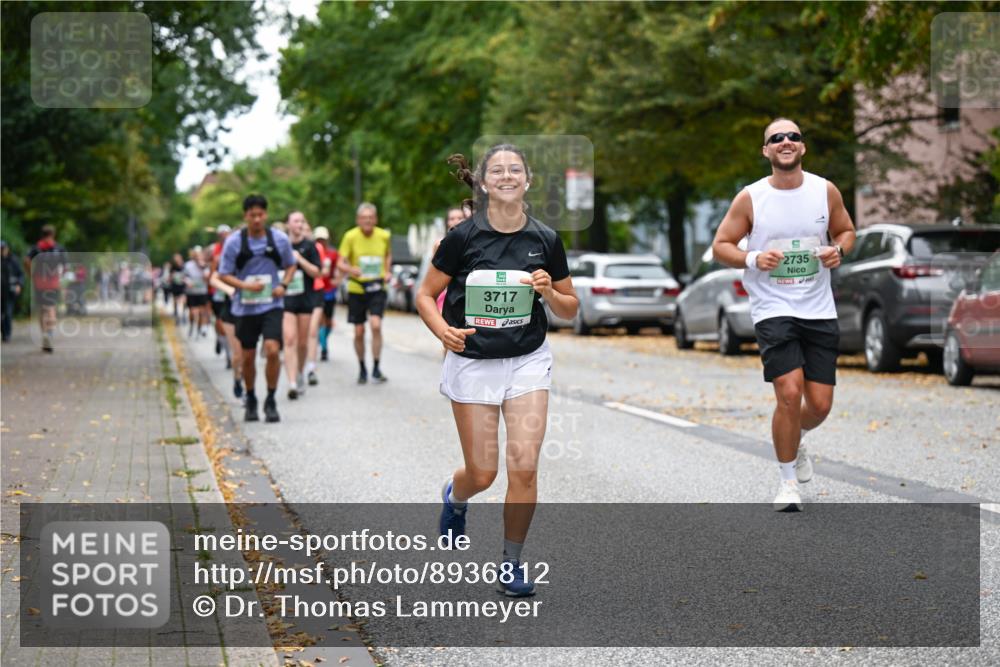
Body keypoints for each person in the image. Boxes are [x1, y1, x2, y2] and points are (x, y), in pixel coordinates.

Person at [416, 145, 578, 597]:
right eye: (497, 170)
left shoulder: (545, 239)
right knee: (483, 473)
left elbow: (570, 307)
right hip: (472, 363)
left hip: (527, 359)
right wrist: (441, 330)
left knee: (524, 465)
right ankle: (456, 495)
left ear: (527, 181)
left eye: (516, 170)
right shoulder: (463, 238)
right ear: (484, 184)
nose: (507, 176)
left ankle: (511, 563)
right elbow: (426, 295)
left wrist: (548, 292)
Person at [712, 117, 856, 512]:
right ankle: (788, 483)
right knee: (789, 393)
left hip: (818, 309)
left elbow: (846, 231)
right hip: (773, 309)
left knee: (820, 404)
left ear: (803, 147)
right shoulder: (751, 198)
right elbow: (721, 245)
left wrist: (838, 251)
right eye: (776, 138)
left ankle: (795, 438)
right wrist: (754, 257)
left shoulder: (824, 191)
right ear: (766, 151)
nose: (786, 141)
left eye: (793, 136)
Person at [218, 195, 297, 423]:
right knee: (248, 357)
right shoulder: (234, 242)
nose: (256, 219)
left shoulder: (279, 239)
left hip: (271, 305)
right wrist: (245, 286)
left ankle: (270, 399)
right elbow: (223, 274)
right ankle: (251, 397)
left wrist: (283, 285)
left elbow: (291, 264)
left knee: (273, 350)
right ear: (245, 216)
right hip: (245, 308)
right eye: (252, 215)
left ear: (266, 215)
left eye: (260, 215)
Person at [338, 203, 392, 384]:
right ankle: (362, 367)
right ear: (358, 220)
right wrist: (350, 269)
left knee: (376, 325)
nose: (367, 221)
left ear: (375, 219)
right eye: (364, 218)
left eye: (371, 217)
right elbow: (340, 263)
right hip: (357, 288)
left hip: (377, 287)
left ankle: (376, 367)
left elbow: (387, 255)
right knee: (359, 331)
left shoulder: (383, 235)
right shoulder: (350, 236)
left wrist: (387, 271)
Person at [281, 211, 323, 399]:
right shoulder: (281, 245)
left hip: (305, 299)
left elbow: (317, 272)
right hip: (286, 299)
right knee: (289, 339)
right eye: (296, 221)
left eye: (302, 221)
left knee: (303, 342)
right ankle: (291, 382)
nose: (299, 224)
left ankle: (299, 373)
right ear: (288, 224)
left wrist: (299, 259)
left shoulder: (310, 246)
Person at [25, 225, 67, 352]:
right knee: (51, 308)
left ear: (42, 234)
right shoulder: (59, 248)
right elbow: (65, 266)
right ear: (53, 234)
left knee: (41, 309)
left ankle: (44, 333)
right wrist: (60, 277)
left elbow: (26, 260)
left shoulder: (36, 247)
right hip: (53, 282)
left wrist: (30, 274)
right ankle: (49, 334)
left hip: (39, 282)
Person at [314, 226, 340, 362]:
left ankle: (321, 338)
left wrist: (338, 279)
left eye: (322, 239)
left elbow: (340, 267)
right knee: (321, 320)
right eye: (318, 239)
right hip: (317, 290)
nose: (320, 242)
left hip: (330, 290)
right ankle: (324, 349)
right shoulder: (312, 252)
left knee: (329, 322)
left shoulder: (333, 254)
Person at [183, 246, 210, 338]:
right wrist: (188, 282)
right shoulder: (188, 265)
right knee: (192, 312)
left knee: (201, 312)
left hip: (202, 291)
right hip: (191, 292)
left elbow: (207, 277)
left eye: (199, 254)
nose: (197, 256)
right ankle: (191, 325)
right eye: (196, 254)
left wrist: (203, 267)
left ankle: (199, 329)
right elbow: (184, 276)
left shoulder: (204, 265)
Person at [1, 241, 24, 342]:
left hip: (10, 292)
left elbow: (20, 274)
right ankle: (4, 333)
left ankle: (7, 334)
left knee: (8, 313)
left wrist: (19, 285)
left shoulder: (13, 260)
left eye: (3, 248)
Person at [169, 253, 186, 322]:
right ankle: (176, 312)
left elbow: (186, 275)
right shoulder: (172, 267)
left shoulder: (184, 266)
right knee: (175, 299)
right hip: (175, 286)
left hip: (182, 286)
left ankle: (183, 313)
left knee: (183, 300)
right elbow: (170, 277)